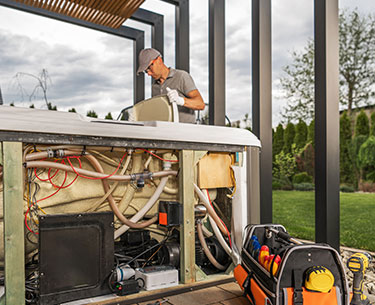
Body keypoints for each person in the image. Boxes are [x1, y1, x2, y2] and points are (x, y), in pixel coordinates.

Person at [137, 48, 205, 123]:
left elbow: (200, 104)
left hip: (186, 131)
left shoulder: (181, 76)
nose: (149, 74)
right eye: (146, 71)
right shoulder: (155, 86)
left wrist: (180, 100)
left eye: (149, 68)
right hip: (166, 131)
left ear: (159, 60)